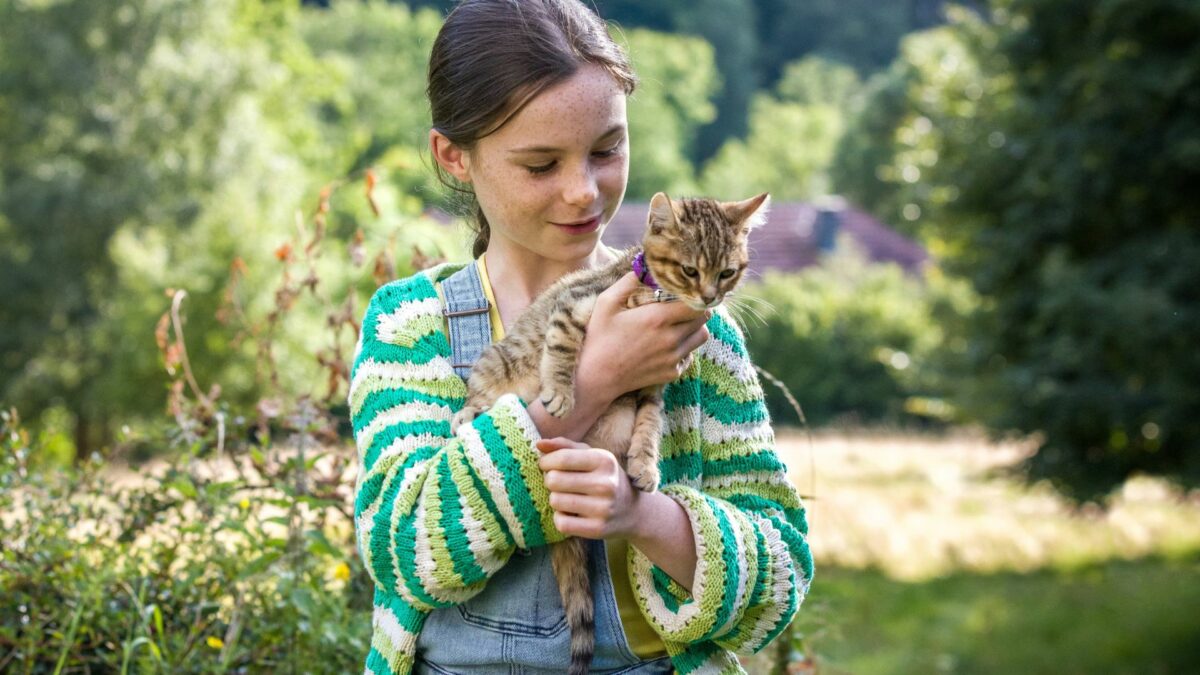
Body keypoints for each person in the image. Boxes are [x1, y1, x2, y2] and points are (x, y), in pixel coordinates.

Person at [347, 1, 812, 673]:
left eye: (606, 150)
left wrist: (643, 514)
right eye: (541, 165)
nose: (583, 192)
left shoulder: (699, 333)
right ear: (453, 156)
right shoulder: (413, 325)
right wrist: (590, 385)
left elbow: (780, 582)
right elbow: (403, 553)